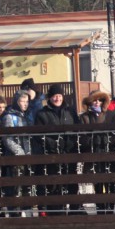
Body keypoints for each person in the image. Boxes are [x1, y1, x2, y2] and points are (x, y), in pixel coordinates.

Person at [33, 85, 79, 214]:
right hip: (51, 153)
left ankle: (75, 210)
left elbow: (77, 128)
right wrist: (52, 144)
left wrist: (71, 143)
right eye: (54, 96)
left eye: (59, 95)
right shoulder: (43, 113)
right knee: (54, 182)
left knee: (71, 180)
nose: (57, 98)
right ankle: (56, 210)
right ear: (50, 97)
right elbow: (39, 134)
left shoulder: (70, 111)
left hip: (69, 151)